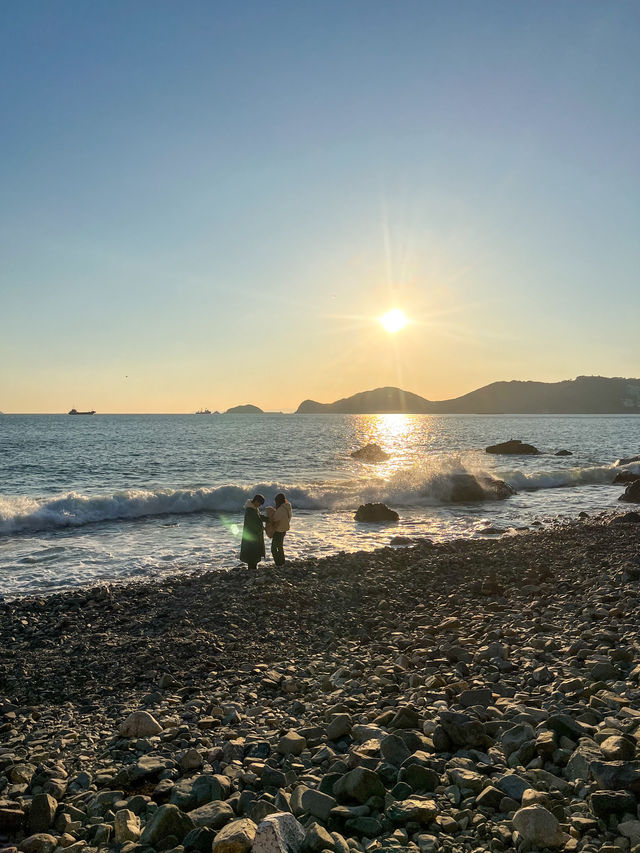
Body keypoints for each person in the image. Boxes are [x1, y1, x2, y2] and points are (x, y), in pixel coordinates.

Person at [240, 494, 266, 570]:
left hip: (253, 536)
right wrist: (263, 528)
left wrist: (268, 519)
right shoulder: (250, 511)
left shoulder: (253, 508)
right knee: (252, 555)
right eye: (260, 504)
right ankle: (252, 571)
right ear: (256, 501)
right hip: (252, 536)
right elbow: (253, 524)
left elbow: (259, 518)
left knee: (253, 555)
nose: (260, 506)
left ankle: (252, 571)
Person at [270, 492, 292, 567]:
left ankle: (278, 563)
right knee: (280, 547)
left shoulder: (281, 510)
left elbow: (274, 519)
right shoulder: (288, 507)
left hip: (278, 530)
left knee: (273, 548)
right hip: (284, 529)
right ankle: (282, 562)